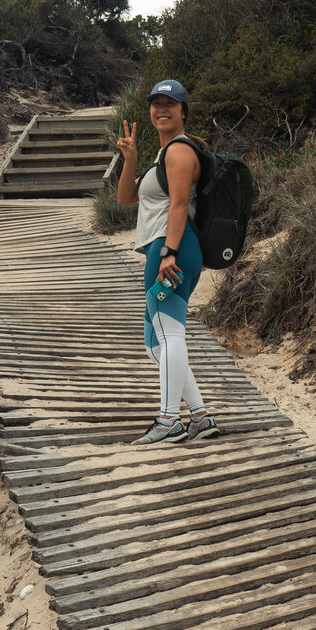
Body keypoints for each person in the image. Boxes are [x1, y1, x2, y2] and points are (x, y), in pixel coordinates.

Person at [116, 79, 220, 444]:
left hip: (172, 249)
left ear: (183, 111)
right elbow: (126, 198)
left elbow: (178, 205)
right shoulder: (162, 156)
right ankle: (200, 416)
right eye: (156, 103)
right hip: (164, 248)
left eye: (170, 103)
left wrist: (168, 253)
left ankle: (168, 420)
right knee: (154, 342)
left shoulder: (179, 151)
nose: (162, 108)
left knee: (168, 333)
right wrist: (130, 159)